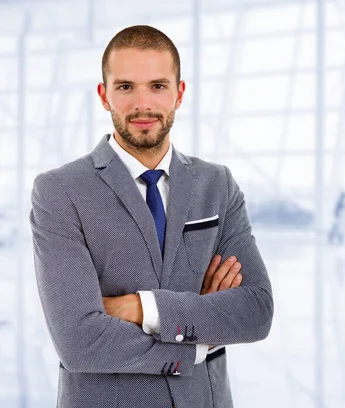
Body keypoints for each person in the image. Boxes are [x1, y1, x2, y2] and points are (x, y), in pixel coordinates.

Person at [29, 25, 274, 408]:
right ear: (104, 95)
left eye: (158, 86)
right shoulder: (60, 192)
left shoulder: (217, 185)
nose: (143, 104)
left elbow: (255, 311)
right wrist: (197, 341)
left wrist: (143, 308)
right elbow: (80, 340)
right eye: (126, 86)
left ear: (179, 93)